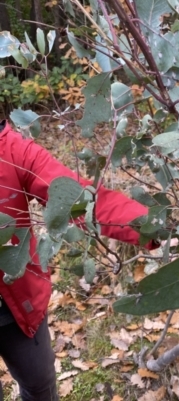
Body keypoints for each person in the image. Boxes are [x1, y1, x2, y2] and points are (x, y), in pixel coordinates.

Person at [0, 120, 155, 400]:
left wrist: (147, 226)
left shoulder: (11, 150)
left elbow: (76, 200)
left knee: (39, 383)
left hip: (19, 303)